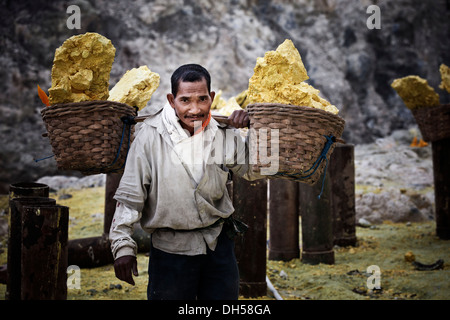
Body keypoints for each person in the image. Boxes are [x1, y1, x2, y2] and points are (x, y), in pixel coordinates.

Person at [109, 63, 263, 300]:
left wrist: (256, 130)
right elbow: (131, 195)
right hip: (170, 253)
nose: (195, 109)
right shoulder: (150, 136)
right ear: (172, 100)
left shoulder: (223, 132)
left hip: (218, 247)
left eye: (202, 99)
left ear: (211, 97)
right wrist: (123, 246)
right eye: (185, 100)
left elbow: (254, 171)